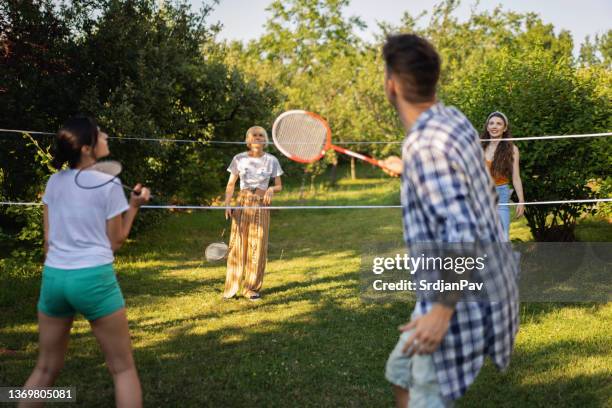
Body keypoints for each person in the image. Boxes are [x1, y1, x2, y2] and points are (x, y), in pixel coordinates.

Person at [379, 34, 519, 407]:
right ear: (433, 80)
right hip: (485, 279)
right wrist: (409, 167)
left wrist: (442, 311)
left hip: (457, 293)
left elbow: (463, 230)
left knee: (427, 393)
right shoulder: (452, 119)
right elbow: (471, 184)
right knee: (402, 373)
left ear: (391, 85)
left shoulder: (426, 145)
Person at [20, 116, 150, 408]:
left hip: (54, 278)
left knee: (44, 369)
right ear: (88, 149)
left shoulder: (54, 181)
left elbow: (48, 240)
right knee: (123, 369)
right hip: (93, 278)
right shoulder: (108, 183)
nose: (105, 137)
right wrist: (134, 207)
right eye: (100, 134)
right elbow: (115, 241)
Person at [223, 126, 283, 301]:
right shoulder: (239, 159)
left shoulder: (272, 160)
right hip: (242, 204)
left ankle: (251, 288)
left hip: (261, 206)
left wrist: (272, 189)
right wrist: (227, 204)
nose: (257, 138)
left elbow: (279, 185)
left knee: (258, 245)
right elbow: (230, 184)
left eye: (260, 135)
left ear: (265, 140)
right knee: (238, 245)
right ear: (248, 140)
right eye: (254, 135)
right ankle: (232, 287)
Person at [481, 111, 525, 240]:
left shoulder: (512, 149)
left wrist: (521, 201)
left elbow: (516, 177)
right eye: (491, 123)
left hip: (501, 194)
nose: (494, 126)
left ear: (505, 128)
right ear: (487, 127)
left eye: (499, 124)